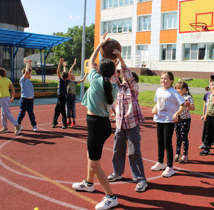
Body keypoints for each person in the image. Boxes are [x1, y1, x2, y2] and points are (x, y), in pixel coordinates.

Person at [72, 32, 119, 210]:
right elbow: (107, 68)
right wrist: (115, 59)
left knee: (95, 163)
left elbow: (91, 61)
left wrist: (100, 44)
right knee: (90, 156)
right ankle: (89, 184)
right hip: (102, 124)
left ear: (100, 71)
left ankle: (111, 196)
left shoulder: (96, 79)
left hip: (96, 124)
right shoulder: (112, 85)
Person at [107, 49, 147, 192]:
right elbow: (113, 77)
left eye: (127, 77)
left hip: (132, 124)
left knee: (134, 151)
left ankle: (140, 179)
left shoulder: (133, 89)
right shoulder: (119, 89)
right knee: (117, 149)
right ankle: (117, 173)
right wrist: (113, 64)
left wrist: (121, 59)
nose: (124, 78)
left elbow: (127, 75)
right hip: (119, 124)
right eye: (122, 77)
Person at [151, 72, 185, 177]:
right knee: (160, 142)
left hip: (168, 120)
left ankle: (170, 167)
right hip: (159, 119)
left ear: (171, 81)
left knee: (167, 143)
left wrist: (176, 114)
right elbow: (158, 102)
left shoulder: (173, 92)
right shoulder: (158, 90)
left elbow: (182, 105)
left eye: (166, 79)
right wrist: (155, 107)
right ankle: (160, 162)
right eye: (162, 78)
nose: (163, 80)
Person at [0, 68, 22, 135]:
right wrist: (13, 97)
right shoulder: (7, 79)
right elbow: (12, 88)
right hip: (7, 97)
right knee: (3, 113)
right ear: (4, 73)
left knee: (6, 112)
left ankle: (17, 125)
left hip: (3, 97)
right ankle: (5, 127)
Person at [173, 81, 195, 164]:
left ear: (184, 89)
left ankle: (185, 154)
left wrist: (189, 105)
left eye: (179, 89)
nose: (177, 90)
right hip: (177, 119)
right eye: (176, 89)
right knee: (178, 136)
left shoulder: (188, 97)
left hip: (185, 119)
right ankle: (177, 153)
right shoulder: (176, 96)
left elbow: (193, 108)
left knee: (184, 136)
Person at [52, 57, 74, 129]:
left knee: (62, 110)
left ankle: (64, 124)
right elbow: (64, 73)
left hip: (62, 97)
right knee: (57, 109)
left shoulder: (62, 81)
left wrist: (60, 63)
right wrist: (64, 66)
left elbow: (58, 71)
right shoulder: (66, 80)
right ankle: (55, 122)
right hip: (60, 96)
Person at [17, 59, 38, 132]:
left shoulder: (28, 81)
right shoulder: (23, 80)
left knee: (31, 114)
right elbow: (27, 72)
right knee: (22, 114)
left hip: (30, 100)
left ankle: (34, 126)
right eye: (29, 73)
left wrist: (30, 64)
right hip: (24, 100)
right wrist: (26, 63)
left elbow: (29, 71)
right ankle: (17, 125)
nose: (30, 74)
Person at [66, 59, 88, 127]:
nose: (74, 75)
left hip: (73, 97)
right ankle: (69, 120)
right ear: (70, 76)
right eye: (73, 75)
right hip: (68, 96)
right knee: (67, 109)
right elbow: (70, 71)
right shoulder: (68, 81)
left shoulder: (74, 82)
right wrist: (74, 64)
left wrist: (86, 74)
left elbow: (82, 80)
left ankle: (73, 122)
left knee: (73, 109)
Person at [199, 80, 213, 149]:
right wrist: (203, 114)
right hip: (206, 115)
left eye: (212, 84)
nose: (211, 86)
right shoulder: (206, 94)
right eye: (210, 84)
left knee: (212, 130)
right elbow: (205, 104)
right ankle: (204, 142)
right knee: (205, 130)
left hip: (213, 115)